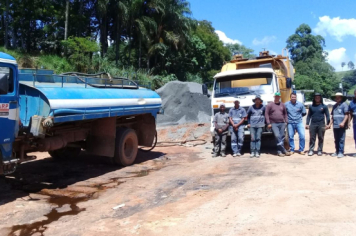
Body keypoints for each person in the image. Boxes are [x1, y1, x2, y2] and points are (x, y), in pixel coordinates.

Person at [265, 92, 291, 157]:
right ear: (274, 97)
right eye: (276, 96)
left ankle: (279, 152)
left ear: (279, 97)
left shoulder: (282, 104)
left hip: (282, 123)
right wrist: (268, 123)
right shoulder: (270, 105)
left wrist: (286, 121)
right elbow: (266, 114)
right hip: (273, 123)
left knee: (281, 137)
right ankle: (284, 150)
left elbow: (285, 113)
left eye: (278, 96)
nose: (277, 97)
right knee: (277, 136)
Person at [328, 92, 349, 158]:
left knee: (341, 139)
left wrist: (343, 122)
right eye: (336, 97)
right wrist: (329, 124)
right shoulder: (334, 106)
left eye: (339, 97)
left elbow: (346, 115)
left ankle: (341, 152)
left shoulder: (344, 105)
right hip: (335, 125)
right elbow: (333, 116)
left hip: (341, 125)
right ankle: (336, 151)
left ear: (341, 98)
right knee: (336, 139)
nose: (337, 98)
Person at [348, 89, 356, 157]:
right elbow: (350, 113)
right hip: (355, 123)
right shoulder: (352, 103)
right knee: (355, 137)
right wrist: (349, 122)